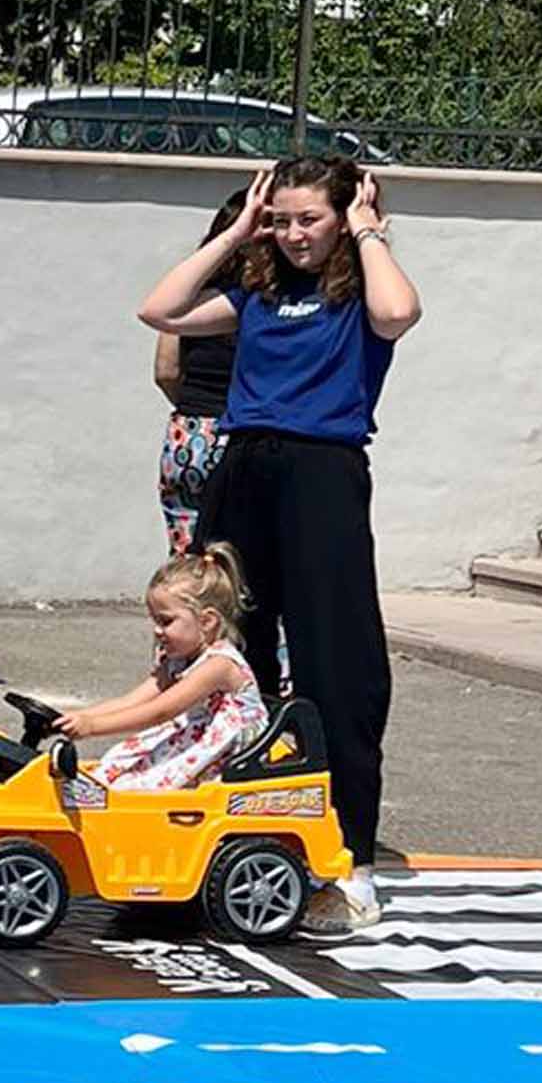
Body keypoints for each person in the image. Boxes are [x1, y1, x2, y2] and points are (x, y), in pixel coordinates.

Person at [139, 155, 418, 931]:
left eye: (311, 219)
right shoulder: (258, 290)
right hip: (243, 471)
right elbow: (158, 308)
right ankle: (238, 830)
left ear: (344, 216)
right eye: (284, 219)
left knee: (337, 666)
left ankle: (351, 866)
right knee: (228, 654)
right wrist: (237, 231)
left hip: (321, 476)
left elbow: (398, 314)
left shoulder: (362, 290)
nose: (295, 235)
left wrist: (366, 231)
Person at [55, 544, 267, 794]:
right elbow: (132, 701)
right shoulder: (178, 660)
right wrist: (77, 717)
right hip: (194, 738)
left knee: (137, 787)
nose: (157, 630)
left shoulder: (218, 665)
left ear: (207, 621)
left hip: (229, 755)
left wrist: (91, 727)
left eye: (166, 621)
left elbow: (161, 710)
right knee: (114, 770)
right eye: (154, 620)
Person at [154, 190, 248, 556]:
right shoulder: (264, 301)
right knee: (242, 556)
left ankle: (185, 612)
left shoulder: (188, 297)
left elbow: (166, 371)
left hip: (188, 434)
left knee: (188, 555)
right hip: (242, 435)